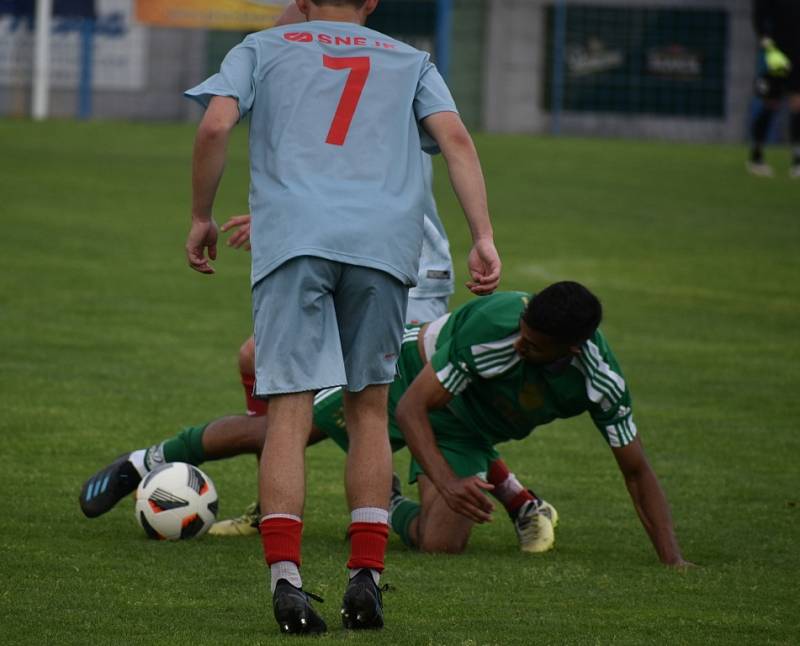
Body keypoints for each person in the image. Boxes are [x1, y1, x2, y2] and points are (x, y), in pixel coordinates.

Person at [181, 0, 500, 634]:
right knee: (371, 408)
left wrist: (200, 216)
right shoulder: (412, 60)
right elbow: (456, 139)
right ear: (372, 2)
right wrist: (482, 236)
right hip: (383, 245)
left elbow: (216, 126)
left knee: (290, 411)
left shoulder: (263, 47)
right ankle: (365, 577)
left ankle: (287, 582)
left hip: (294, 237)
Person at [80, 282, 691, 568]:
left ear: (571, 348)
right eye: (524, 330)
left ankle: (389, 500)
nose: (521, 342)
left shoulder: (599, 381)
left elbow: (636, 470)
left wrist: (672, 562)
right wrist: (449, 481)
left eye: (535, 344)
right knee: (282, 433)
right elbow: (409, 409)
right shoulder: (495, 330)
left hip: (462, 428)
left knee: (440, 544)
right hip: (403, 375)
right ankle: (144, 462)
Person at [747, 0, 800, 178]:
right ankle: (756, 155)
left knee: (797, 104)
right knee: (770, 103)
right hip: (776, 55)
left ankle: (797, 159)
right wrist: (768, 46)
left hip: (798, 55)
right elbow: (759, 18)